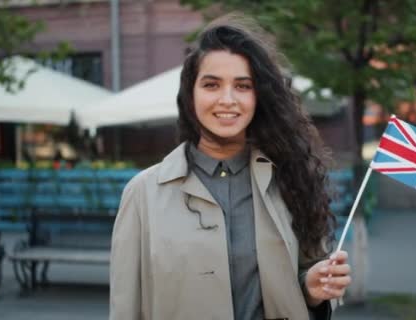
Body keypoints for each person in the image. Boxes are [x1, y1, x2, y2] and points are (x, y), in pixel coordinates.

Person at [110, 14, 351, 320]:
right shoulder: (142, 194)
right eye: (211, 85)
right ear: (190, 95)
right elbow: (125, 308)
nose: (227, 100)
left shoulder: (292, 179)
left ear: (258, 96)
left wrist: (311, 289)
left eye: (242, 86)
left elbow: (305, 284)